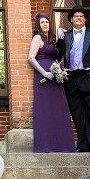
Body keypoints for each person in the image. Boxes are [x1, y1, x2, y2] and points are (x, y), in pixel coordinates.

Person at [56, 5, 90, 152]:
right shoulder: (66, 36)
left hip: (89, 76)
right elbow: (58, 55)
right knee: (77, 112)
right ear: (71, 20)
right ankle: (83, 144)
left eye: (81, 16)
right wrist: (58, 39)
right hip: (71, 78)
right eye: (75, 16)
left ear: (85, 18)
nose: (78, 18)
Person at [27, 12, 76, 152]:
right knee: (46, 108)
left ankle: (62, 144)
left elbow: (59, 55)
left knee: (58, 108)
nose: (45, 24)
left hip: (56, 78)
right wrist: (44, 73)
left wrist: (60, 71)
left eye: (47, 22)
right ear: (38, 25)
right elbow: (31, 58)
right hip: (44, 77)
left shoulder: (51, 40)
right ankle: (46, 144)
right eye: (42, 22)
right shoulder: (37, 38)